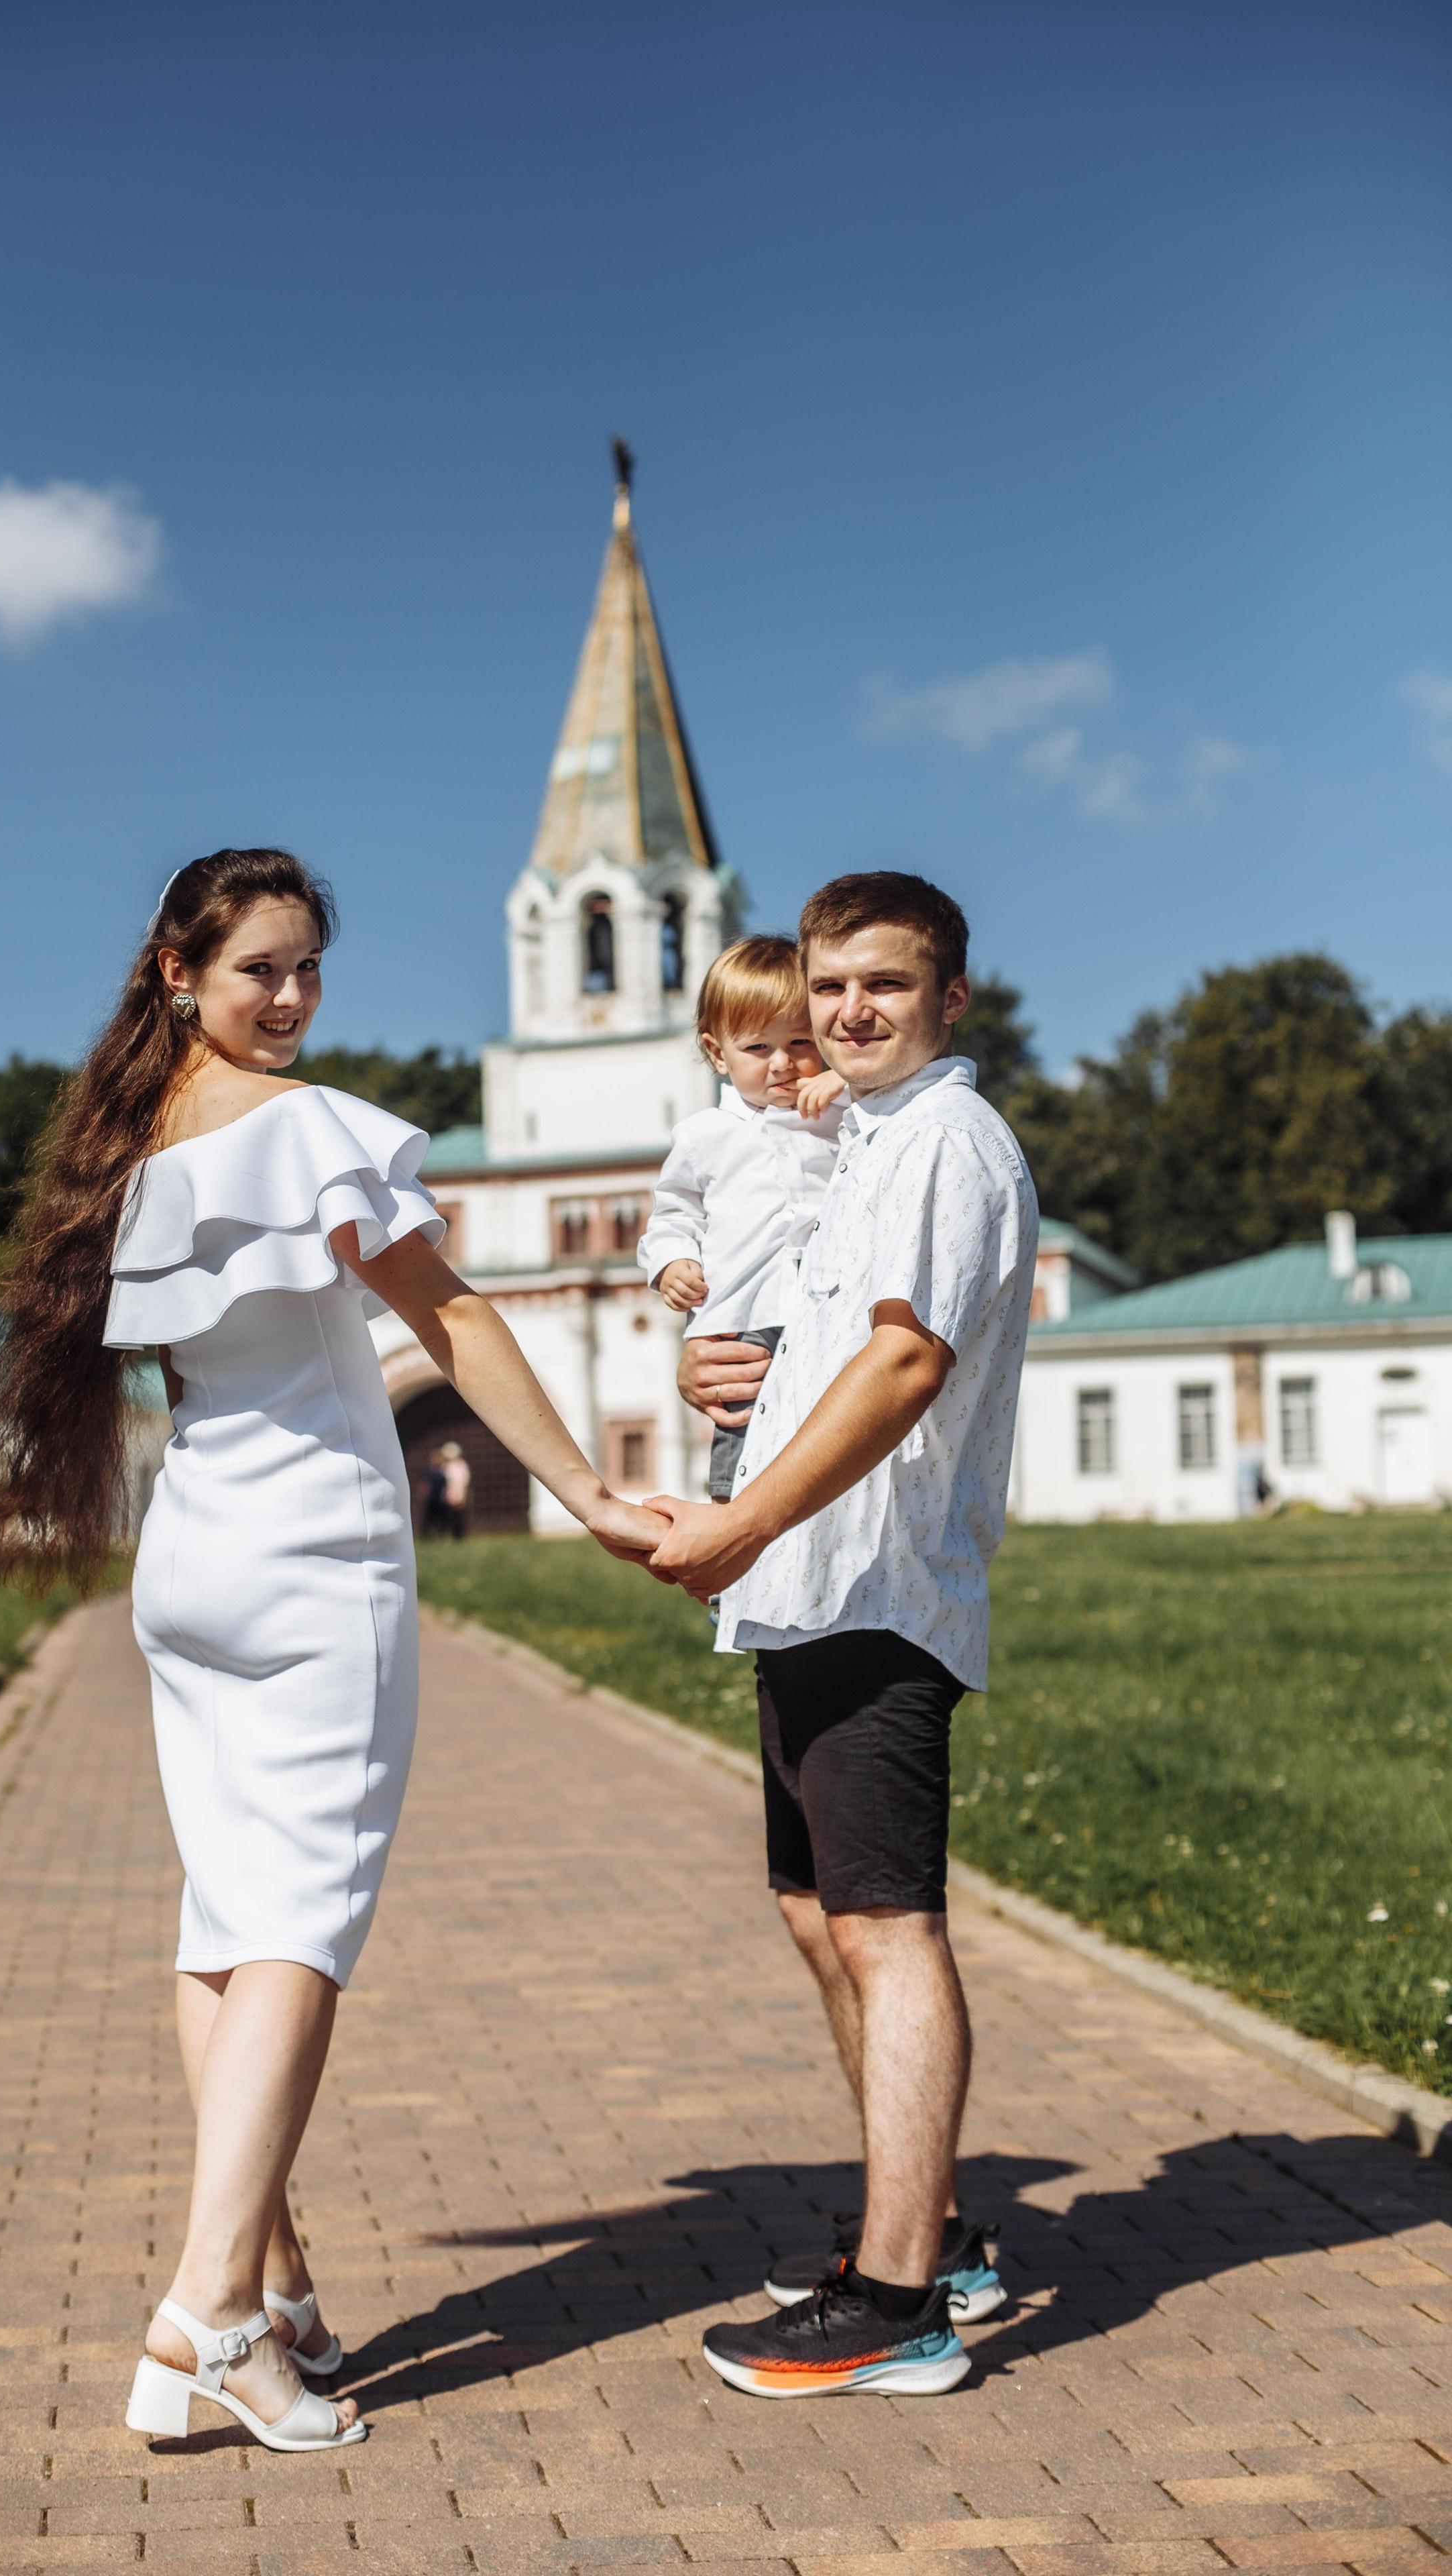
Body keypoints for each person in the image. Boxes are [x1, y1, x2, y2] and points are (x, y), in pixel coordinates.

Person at [0, 847, 665, 2455]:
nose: (288, 999)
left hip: (191, 1561)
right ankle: (206, 2314)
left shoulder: (119, 1151)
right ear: (178, 973)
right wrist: (584, 1491)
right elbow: (460, 1317)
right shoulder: (304, 1132)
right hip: (312, 1562)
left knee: (224, 1925)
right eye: (259, 969)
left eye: (305, 970)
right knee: (299, 1928)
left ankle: (268, 2284)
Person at [646, 871, 1037, 2402]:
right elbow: (821, 1350)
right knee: (819, 1916)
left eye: (885, 983)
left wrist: (736, 1521)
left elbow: (897, 1366)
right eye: (826, 987)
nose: (848, 1011)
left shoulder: (941, 1138)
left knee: (886, 1926)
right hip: (805, 1586)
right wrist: (719, 1377)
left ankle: (901, 2300)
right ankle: (923, 2228)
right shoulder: (853, 1145)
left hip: (876, 1582)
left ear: (949, 1000)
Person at [634, 936, 845, 1503]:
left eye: (801, 1041)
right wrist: (671, 1261)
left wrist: (846, 1082)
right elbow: (672, 1214)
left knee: (832, 1439)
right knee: (745, 1441)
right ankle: (734, 1535)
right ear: (717, 1052)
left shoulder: (843, 1114)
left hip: (827, 1312)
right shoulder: (704, 1136)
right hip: (742, 1320)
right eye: (758, 1046)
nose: (783, 1062)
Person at [439, 1441, 471, 1537]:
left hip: (459, 1492)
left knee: (459, 1513)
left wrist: (463, 1492)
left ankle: (459, 1533)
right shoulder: (445, 1466)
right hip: (449, 1492)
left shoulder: (461, 1464)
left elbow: (465, 1479)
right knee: (449, 1514)